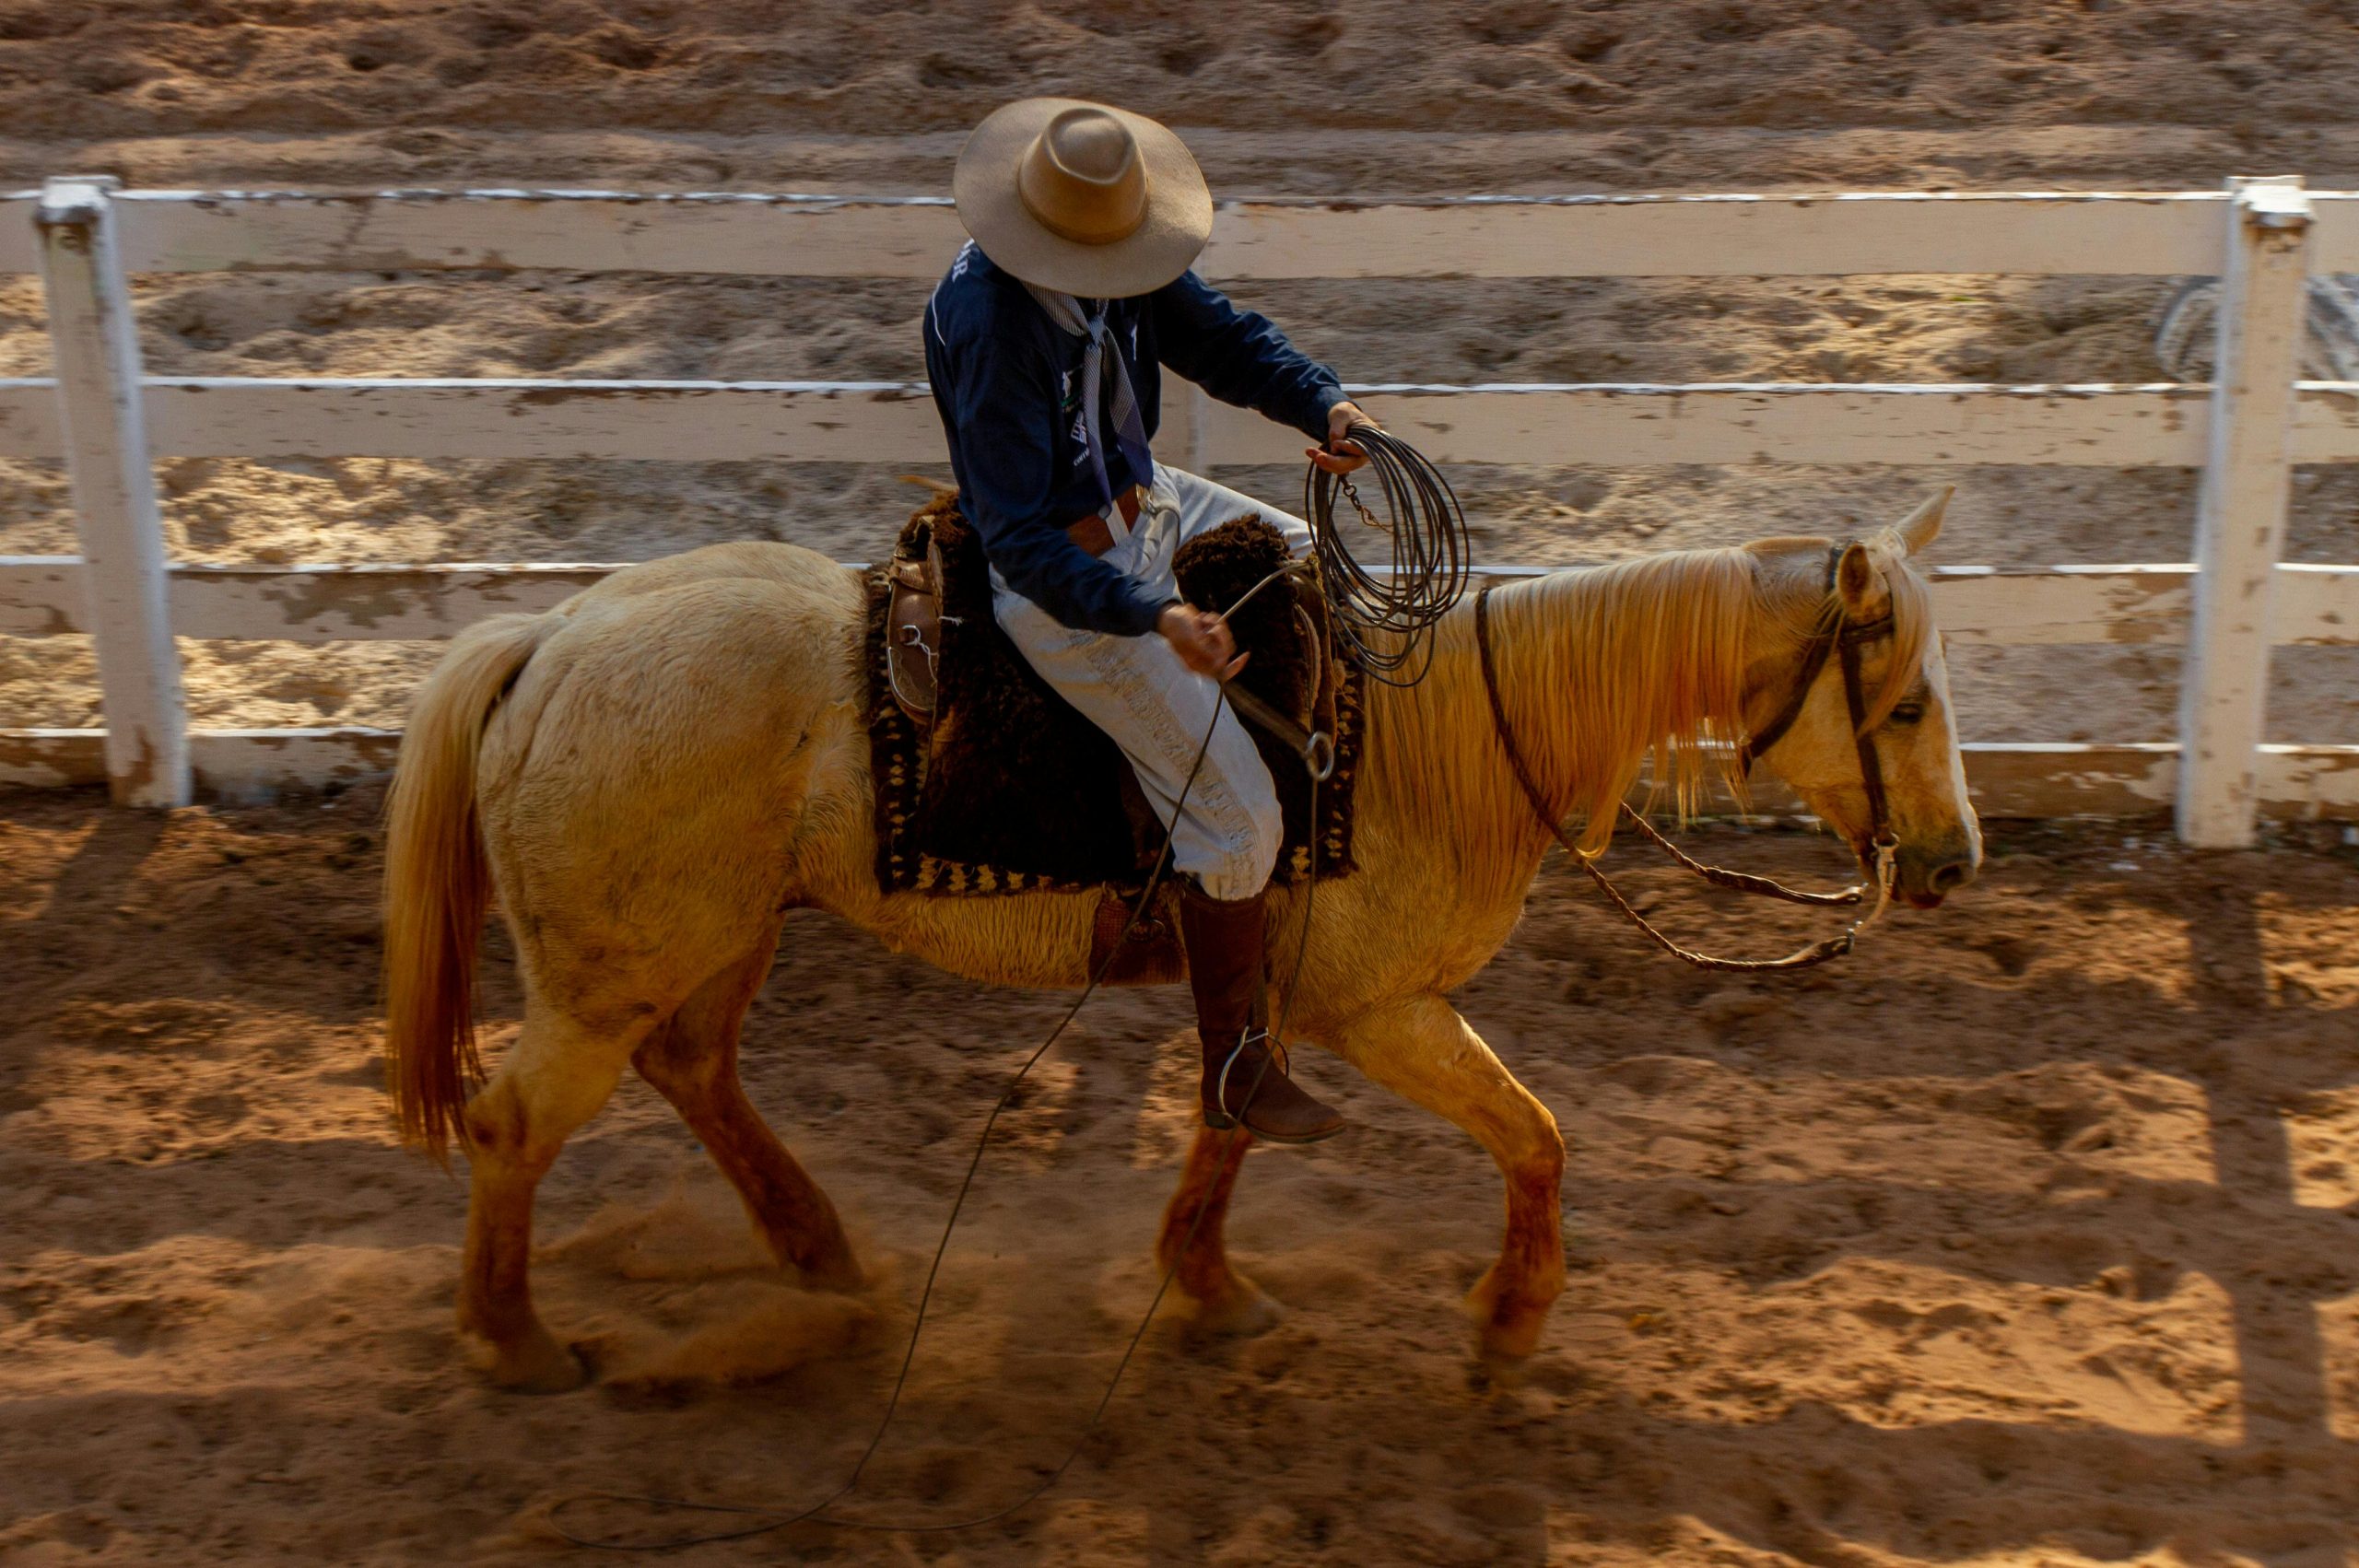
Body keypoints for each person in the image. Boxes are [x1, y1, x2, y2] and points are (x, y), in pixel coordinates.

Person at [924, 97, 1373, 1144]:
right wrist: (1153, 611)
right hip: (1065, 579)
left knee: (1314, 562)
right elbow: (1020, 543)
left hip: (1150, 499)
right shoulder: (991, 329)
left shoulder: (1110, 255)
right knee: (1241, 821)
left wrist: (1327, 407)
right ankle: (1233, 1065)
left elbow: (1218, 339)